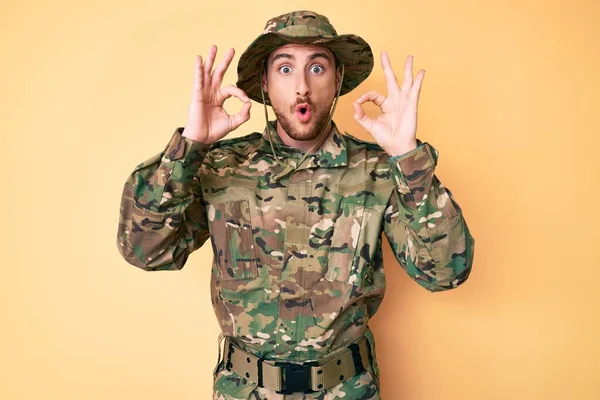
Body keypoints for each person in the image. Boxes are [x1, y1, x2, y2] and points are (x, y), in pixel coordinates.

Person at [116, 10, 475, 399]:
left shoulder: (379, 172)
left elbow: (445, 272)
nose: (301, 86)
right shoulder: (220, 166)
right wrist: (190, 148)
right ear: (265, 84)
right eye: (285, 69)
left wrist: (409, 158)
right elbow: (144, 250)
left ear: (338, 80)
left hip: (348, 390)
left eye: (317, 68)